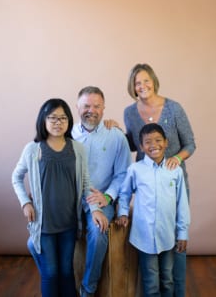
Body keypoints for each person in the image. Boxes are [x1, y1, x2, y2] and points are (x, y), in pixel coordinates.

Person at [12, 98, 108, 297]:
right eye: (52, 118)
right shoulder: (33, 149)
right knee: (50, 273)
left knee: (66, 272)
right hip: (43, 225)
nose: (58, 122)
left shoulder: (77, 149)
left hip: (68, 223)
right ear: (43, 120)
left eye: (63, 118)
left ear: (69, 121)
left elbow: (85, 183)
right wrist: (25, 203)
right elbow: (16, 177)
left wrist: (96, 209)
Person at [124, 63, 196, 297]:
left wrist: (175, 158)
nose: (142, 86)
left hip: (172, 180)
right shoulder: (129, 112)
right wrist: (114, 131)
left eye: (146, 80)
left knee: (176, 244)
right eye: (137, 83)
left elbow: (190, 144)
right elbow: (135, 143)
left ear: (154, 81)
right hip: (147, 183)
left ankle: (178, 293)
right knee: (152, 256)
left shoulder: (174, 108)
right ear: (132, 88)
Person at [116, 123, 190, 297]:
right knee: (150, 282)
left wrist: (182, 233)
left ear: (166, 142)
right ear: (141, 146)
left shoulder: (175, 171)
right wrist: (123, 212)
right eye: (147, 142)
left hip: (168, 237)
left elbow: (182, 204)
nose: (153, 145)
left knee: (167, 279)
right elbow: (124, 193)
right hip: (144, 237)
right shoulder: (135, 169)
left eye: (158, 140)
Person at [72, 86, 132, 297]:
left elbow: (123, 174)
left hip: (103, 200)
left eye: (97, 106)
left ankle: (87, 289)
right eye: (86, 105)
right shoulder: (66, 136)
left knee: (98, 233)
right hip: (71, 201)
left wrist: (108, 196)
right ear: (77, 107)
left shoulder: (115, 136)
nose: (92, 110)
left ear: (104, 108)